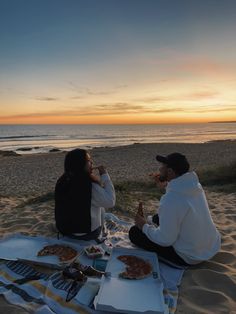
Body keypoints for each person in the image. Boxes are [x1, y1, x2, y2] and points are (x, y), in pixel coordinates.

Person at [129, 152, 221, 266]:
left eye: (162, 166)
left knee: (134, 232)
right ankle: (149, 223)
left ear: (170, 171)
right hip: (210, 246)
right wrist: (166, 186)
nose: (159, 169)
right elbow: (179, 198)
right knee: (158, 217)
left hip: (189, 255)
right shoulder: (194, 186)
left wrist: (143, 226)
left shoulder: (171, 199)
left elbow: (165, 240)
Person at [55, 148, 115, 241]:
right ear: (80, 164)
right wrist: (104, 175)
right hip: (87, 234)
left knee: (97, 204)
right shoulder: (89, 185)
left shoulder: (62, 181)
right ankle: (102, 232)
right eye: (88, 160)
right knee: (101, 208)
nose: (92, 163)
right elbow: (111, 201)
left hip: (66, 231)